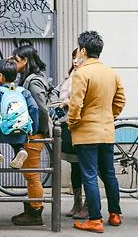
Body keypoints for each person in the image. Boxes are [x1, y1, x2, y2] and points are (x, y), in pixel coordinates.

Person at [68, 31, 125, 233]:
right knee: (109, 174)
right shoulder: (111, 72)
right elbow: (120, 101)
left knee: (90, 175)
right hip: (107, 131)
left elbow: (75, 104)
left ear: (83, 50)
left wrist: (73, 123)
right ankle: (115, 214)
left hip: (86, 133)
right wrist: (110, 117)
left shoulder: (81, 73)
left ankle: (95, 219)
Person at [10, 43, 51, 226]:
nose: (13, 63)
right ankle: (32, 208)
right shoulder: (31, 79)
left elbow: (42, 109)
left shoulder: (32, 82)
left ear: (25, 61)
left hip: (33, 135)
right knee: (29, 174)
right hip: (33, 133)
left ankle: (35, 213)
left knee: (32, 175)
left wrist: (39, 131)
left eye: (16, 60)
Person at [0, 59, 39, 169]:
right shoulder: (23, 91)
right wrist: (33, 129)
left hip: (1, 132)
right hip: (21, 130)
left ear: (0, 76)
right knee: (17, 133)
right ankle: (19, 150)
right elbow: (34, 108)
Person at [53, 49, 87, 219]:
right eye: (73, 57)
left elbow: (79, 98)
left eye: (78, 57)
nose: (75, 60)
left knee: (86, 166)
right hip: (68, 123)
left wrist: (65, 102)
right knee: (75, 165)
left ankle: (88, 205)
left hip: (80, 125)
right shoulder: (72, 74)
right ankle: (77, 202)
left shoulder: (85, 75)